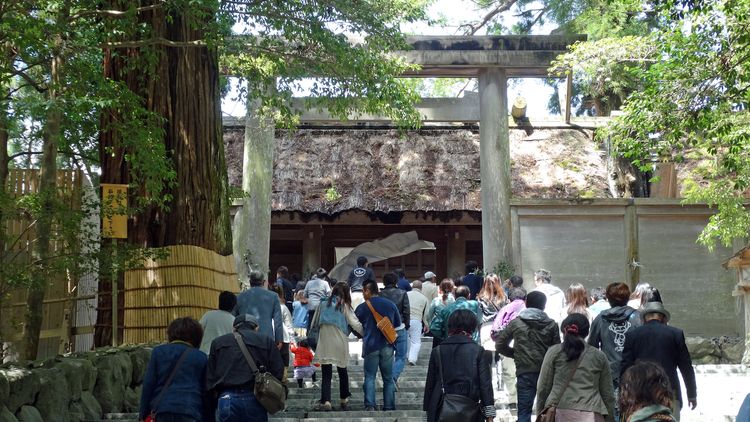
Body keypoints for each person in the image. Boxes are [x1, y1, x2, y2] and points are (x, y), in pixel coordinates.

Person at [621, 301, 697, 421]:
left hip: (639, 391)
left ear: (645, 318)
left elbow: (625, 367)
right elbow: (686, 367)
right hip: (669, 390)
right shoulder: (675, 334)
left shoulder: (632, 335)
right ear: (663, 318)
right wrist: (691, 394)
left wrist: (623, 393)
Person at [536, 313, 616, 422]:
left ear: (564, 331)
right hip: (591, 411)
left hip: (559, 410)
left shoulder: (554, 352)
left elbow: (543, 388)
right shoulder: (599, 356)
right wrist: (610, 418)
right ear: (587, 332)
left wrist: (540, 412)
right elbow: (608, 394)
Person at [495, 291, 560, 422]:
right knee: (546, 411)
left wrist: (515, 354)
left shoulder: (516, 323)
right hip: (546, 373)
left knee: (524, 411)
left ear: (526, 303)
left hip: (524, 371)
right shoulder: (552, 324)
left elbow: (500, 344)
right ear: (544, 305)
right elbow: (557, 351)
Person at [206, 314, 284, 422]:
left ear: (234, 328)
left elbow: (210, 376)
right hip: (255, 398)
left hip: (226, 398)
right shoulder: (266, 341)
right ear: (256, 328)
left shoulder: (218, 342)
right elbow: (278, 372)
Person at [423, 309, 496, 422]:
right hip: (470, 408)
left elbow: (430, 385)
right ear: (472, 327)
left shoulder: (437, 350)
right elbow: (485, 385)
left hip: (440, 408)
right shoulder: (478, 351)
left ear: (450, 326)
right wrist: (489, 415)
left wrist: (427, 412)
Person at [139, 317, 210, 422]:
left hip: (162, 410)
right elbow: (206, 391)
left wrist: (142, 414)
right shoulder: (201, 357)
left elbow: (148, 385)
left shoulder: (158, 352)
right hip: (190, 410)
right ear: (197, 336)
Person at [588, 281, 642, 417]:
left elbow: (592, 348)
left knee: (612, 411)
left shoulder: (601, 319)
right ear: (627, 297)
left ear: (608, 298)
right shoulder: (638, 318)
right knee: (634, 410)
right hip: (635, 372)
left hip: (609, 373)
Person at [311, 281, 364, 410]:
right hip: (340, 340)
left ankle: (326, 400)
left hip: (324, 340)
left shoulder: (323, 303)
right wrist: (366, 333)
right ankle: (344, 398)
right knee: (342, 369)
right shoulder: (344, 305)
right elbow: (355, 323)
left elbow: (314, 322)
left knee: (326, 372)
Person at [354, 280, 401, 411]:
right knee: (388, 378)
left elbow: (354, 325)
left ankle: (370, 405)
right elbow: (397, 325)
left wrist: (362, 334)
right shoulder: (390, 305)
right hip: (387, 345)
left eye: (363, 291)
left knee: (370, 376)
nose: (363, 294)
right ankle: (389, 406)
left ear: (368, 290)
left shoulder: (362, 307)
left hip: (370, 345)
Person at [490, 287, 527, 409]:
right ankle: (523, 398)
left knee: (509, 373)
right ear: (525, 298)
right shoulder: (528, 309)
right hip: (526, 345)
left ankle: (512, 399)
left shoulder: (504, 309)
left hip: (507, 344)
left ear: (509, 299)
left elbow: (495, 330)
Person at [233, 271, 283, 348]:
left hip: (244, 337)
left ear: (250, 282)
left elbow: (233, 319)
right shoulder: (273, 296)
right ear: (263, 282)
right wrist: (279, 339)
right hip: (266, 337)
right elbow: (278, 320)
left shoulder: (239, 297)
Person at [379, 271, 410, 385]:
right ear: (396, 281)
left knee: (387, 357)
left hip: (385, 328)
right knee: (401, 356)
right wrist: (406, 324)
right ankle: (393, 377)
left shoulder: (379, 294)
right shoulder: (402, 293)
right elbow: (406, 311)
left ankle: (389, 379)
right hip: (400, 326)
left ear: (384, 282)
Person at [476, 273, 508, 349]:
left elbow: (479, 317)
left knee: (486, 353)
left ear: (485, 284)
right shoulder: (503, 297)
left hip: (486, 327)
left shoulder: (481, 298)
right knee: (499, 353)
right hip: (499, 327)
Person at [271, 284, 294, 380]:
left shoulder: (268, 306)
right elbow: (288, 324)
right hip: (284, 336)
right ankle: (282, 379)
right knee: (284, 360)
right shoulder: (283, 307)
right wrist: (292, 338)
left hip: (270, 335)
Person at [424, 278, 456, 348]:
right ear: (452, 288)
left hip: (437, 330)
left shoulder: (436, 300)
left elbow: (429, 316)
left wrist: (430, 325)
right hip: (450, 331)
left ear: (440, 288)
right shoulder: (454, 302)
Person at [406, 279, 429, 365]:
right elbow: (426, 314)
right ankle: (412, 359)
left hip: (405, 320)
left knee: (406, 339)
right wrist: (426, 324)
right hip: (417, 320)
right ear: (421, 288)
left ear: (412, 287)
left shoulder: (405, 294)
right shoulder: (424, 298)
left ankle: (407, 355)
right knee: (415, 341)